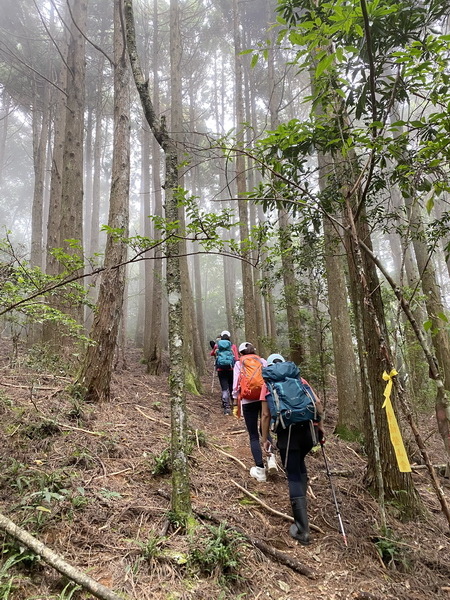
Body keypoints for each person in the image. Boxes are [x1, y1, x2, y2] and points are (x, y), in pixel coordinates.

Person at [261, 353, 324, 546]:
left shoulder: (268, 384)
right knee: (300, 465)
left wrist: (265, 439)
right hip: (308, 432)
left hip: (287, 435)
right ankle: (301, 505)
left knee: (293, 473)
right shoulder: (299, 379)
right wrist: (320, 427)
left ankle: (302, 529)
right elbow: (318, 403)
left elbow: (265, 414)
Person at [232, 342, 277, 482]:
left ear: (240, 353)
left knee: (253, 435)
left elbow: (235, 385)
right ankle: (271, 460)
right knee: (265, 431)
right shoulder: (262, 361)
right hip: (264, 398)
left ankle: (260, 470)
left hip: (247, 400)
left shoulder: (239, 363)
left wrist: (235, 401)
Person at [210, 331, 239, 415]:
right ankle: (234, 403)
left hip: (221, 370)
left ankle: (226, 407)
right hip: (231, 369)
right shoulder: (232, 346)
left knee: (224, 388)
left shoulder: (217, 345)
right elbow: (236, 358)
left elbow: (212, 353)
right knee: (231, 386)